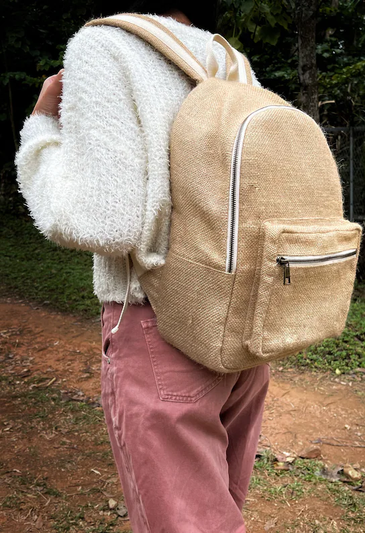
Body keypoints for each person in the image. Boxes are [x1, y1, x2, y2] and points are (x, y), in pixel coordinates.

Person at [15, 2, 270, 532]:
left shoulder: (105, 46)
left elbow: (100, 221)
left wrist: (40, 130)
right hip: (244, 327)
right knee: (218, 512)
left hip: (161, 331)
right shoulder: (228, 57)